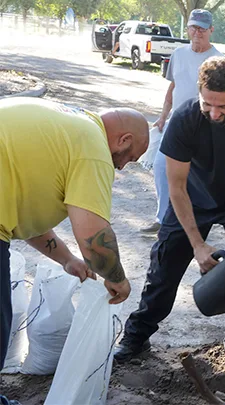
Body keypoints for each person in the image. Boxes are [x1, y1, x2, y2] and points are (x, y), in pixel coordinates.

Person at [113, 57, 225, 379]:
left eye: (222, 106)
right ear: (200, 92)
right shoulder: (185, 118)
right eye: (207, 103)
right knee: (163, 270)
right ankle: (136, 337)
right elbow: (177, 188)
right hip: (191, 199)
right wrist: (197, 244)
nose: (213, 113)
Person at [1, 98, 149, 404]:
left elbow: (26, 211)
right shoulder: (93, 149)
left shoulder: (68, 126)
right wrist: (117, 279)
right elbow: (93, 234)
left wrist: (67, 259)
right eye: (128, 158)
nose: (121, 167)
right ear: (124, 139)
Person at [140, 9, 222, 234]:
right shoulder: (178, 54)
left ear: (211, 30)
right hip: (176, 122)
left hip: (204, 125)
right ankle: (163, 218)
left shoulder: (219, 60)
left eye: (202, 28)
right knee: (160, 167)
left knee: (195, 174)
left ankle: (192, 222)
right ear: (188, 28)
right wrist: (163, 116)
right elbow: (173, 86)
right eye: (193, 27)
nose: (197, 32)